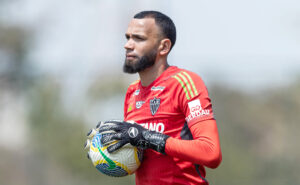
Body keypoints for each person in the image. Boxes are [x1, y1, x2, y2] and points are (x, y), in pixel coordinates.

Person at [88, 10, 222, 185]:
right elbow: (139, 159)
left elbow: (211, 153)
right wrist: (102, 150)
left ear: (164, 47)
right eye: (128, 37)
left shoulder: (184, 83)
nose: (128, 45)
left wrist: (149, 138)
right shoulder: (132, 92)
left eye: (138, 39)